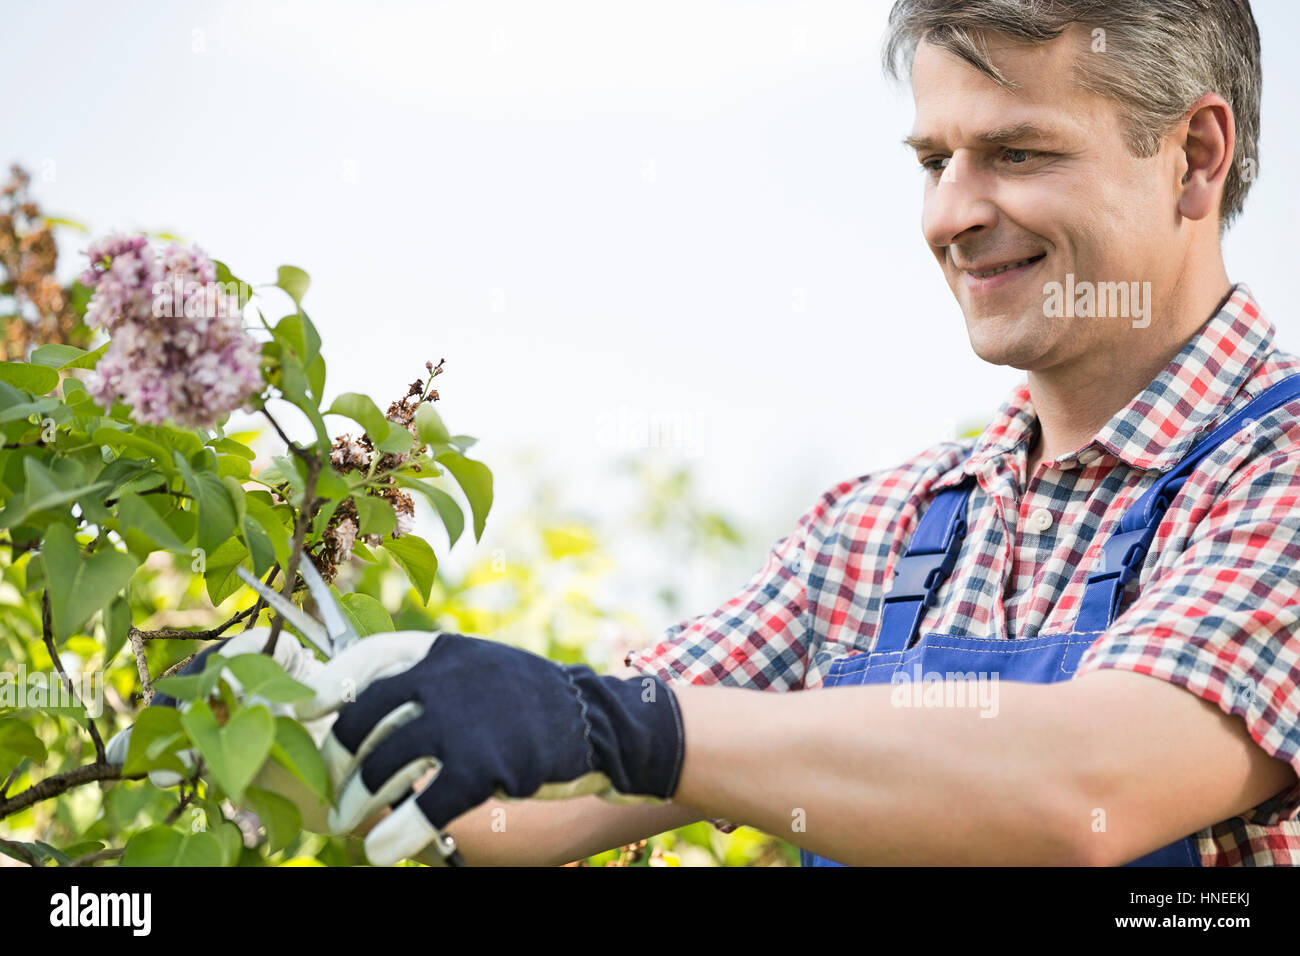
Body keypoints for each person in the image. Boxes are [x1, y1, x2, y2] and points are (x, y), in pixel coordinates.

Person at [270, 0, 1300, 866]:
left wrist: (621, 723)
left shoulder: (1277, 471)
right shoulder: (876, 535)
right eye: (934, 159)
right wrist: (296, 733)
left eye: (1016, 152)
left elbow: (1085, 785)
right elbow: (530, 806)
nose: (951, 214)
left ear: (1194, 159)